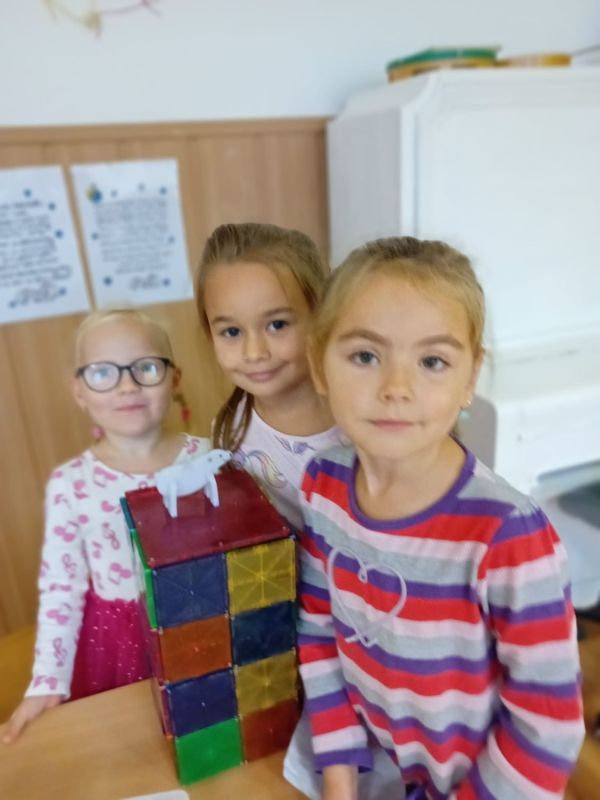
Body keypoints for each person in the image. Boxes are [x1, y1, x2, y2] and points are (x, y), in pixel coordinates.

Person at [297, 236, 585, 799]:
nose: (396, 389)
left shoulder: (507, 534)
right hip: (377, 776)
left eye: (432, 362)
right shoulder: (322, 486)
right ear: (318, 364)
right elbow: (320, 635)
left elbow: (546, 728)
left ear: (470, 377)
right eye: (365, 356)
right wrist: (339, 784)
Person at [196, 222, 404, 797]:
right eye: (231, 331)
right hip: (301, 631)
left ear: (322, 317)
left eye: (278, 324)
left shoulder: (362, 420)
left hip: (382, 621)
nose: (254, 352)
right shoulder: (231, 429)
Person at [2, 309, 210, 743]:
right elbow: (61, 588)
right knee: (132, 740)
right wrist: (47, 681)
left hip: (199, 623)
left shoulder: (210, 458)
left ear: (174, 379)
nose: (127, 385)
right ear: (79, 392)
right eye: (103, 373)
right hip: (117, 642)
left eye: (146, 368)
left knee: (202, 729)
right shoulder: (70, 484)